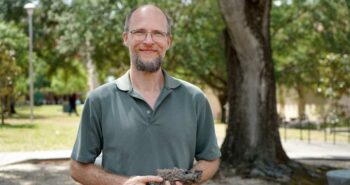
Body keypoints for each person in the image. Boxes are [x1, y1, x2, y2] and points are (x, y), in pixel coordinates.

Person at [70, 4, 221, 185]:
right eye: (140, 32)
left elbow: (211, 160)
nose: (149, 41)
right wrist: (122, 183)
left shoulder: (194, 98)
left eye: (157, 33)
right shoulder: (99, 100)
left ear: (168, 41)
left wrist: (185, 179)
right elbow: (77, 168)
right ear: (126, 38)